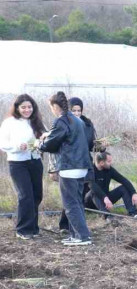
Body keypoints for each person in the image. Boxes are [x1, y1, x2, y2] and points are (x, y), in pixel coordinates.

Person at [39, 91, 92, 246]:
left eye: (51, 107)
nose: (52, 110)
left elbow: (52, 144)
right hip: (82, 166)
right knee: (77, 201)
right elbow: (68, 138)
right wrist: (49, 135)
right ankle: (77, 234)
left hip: (69, 167)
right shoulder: (77, 120)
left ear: (55, 106)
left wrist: (39, 144)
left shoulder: (61, 121)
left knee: (70, 203)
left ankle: (82, 237)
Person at [0, 94, 46, 240]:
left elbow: (47, 137)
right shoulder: (9, 122)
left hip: (35, 161)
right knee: (25, 195)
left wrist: (43, 141)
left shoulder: (37, 122)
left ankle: (33, 227)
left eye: (30, 107)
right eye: (24, 107)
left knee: (37, 194)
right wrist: (17, 146)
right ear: (17, 108)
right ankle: (23, 230)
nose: (27, 110)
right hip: (17, 162)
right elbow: (2, 144)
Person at [58, 97, 100, 231]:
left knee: (79, 197)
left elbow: (91, 144)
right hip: (70, 164)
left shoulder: (87, 124)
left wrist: (101, 147)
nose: (76, 113)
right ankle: (65, 225)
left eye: (79, 110)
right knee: (70, 198)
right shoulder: (64, 123)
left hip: (84, 163)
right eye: (74, 110)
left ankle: (77, 228)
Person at [86, 152, 137, 219]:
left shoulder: (109, 169)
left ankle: (134, 213)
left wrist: (134, 193)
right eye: (109, 161)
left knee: (123, 188)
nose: (111, 163)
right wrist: (105, 198)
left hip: (105, 200)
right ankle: (108, 216)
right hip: (91, 202)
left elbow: (123, 180)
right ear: (101, 163)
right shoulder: (90, 170)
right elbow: (92, 186)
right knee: (93, 192)